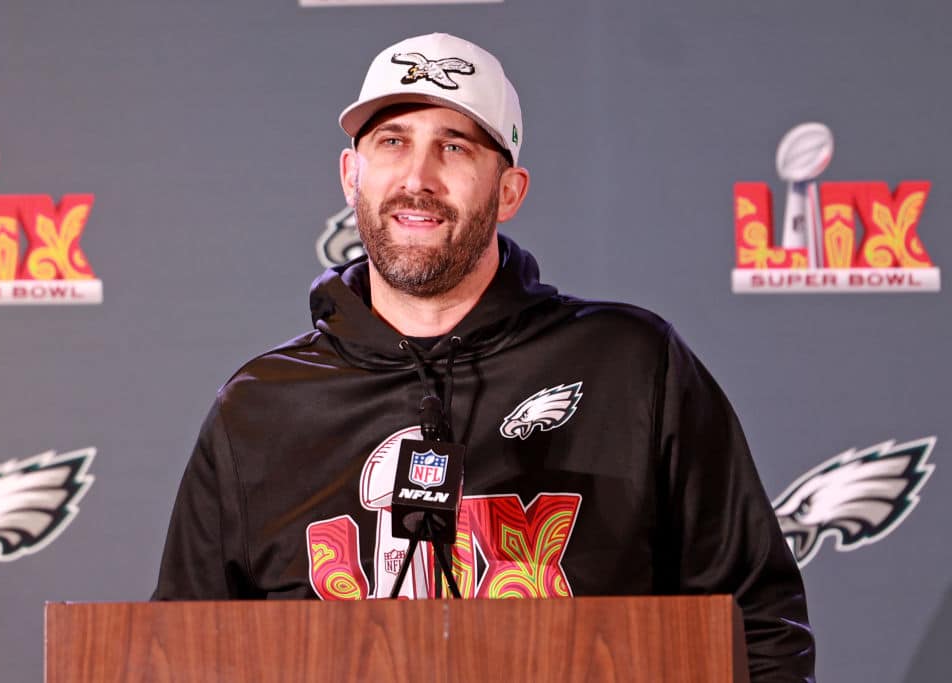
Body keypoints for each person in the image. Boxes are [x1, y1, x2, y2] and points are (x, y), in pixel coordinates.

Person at [153, 32, 815, 680]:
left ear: (508, 191)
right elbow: (178, 649)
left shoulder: (629, 364)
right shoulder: (262, 404)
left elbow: (754, 624)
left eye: (454, 146)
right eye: (392, 141)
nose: (418, 177)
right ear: (351, 175)